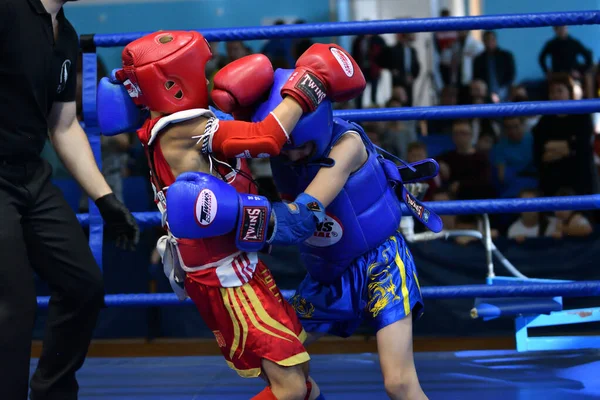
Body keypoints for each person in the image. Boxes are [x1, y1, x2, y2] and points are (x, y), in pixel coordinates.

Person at [99, 30, 365, 400]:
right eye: (200, 71)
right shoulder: (183, 130)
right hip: (224, 274)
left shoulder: (167, 122)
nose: (207, 79)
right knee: (289, 388)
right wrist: (310, 84)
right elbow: (266, 138)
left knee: (301, 380)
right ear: (175, 83)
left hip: (235, 263)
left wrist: (236, 107)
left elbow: (227, 138)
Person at [243, 69, 439, 400]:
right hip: (329, 269)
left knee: (399, 383)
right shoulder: (283, 153)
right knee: (284, 363)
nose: (291, 156)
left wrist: (237, 224)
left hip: (382, 262)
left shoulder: (347, 144)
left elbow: (305, 213)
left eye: (299, 146)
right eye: (284, 148)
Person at [0, 1, 139, 399]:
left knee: (83, 286)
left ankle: (53, 393)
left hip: (30, 175)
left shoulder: (67, 35)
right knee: (14, 303)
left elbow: (62, 124)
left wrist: (106, 199)